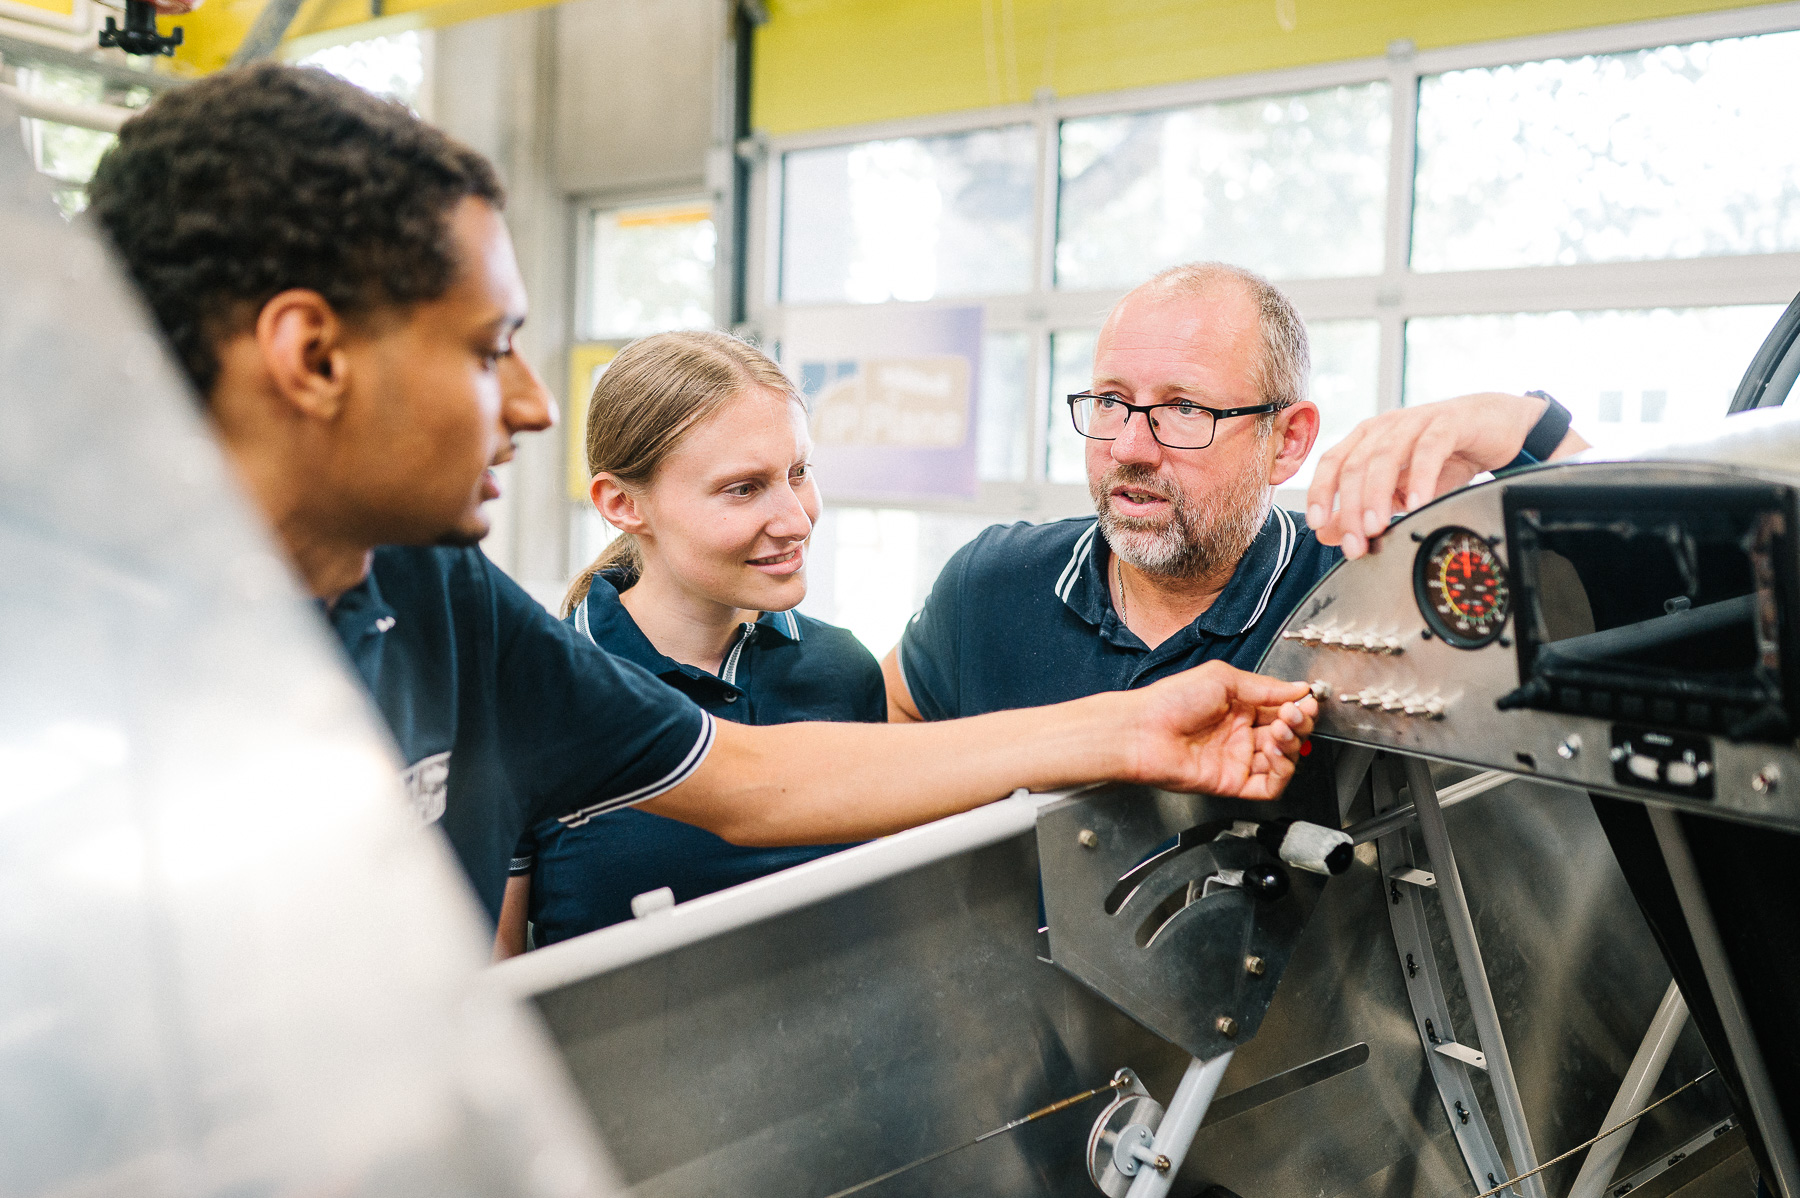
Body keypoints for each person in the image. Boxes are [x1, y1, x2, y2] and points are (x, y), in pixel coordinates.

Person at [86, 64, 1318, 929]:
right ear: (311, 357)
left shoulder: (442, 599)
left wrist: (1131, 727)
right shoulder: (77, 654)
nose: (526, 401)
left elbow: (758, 783)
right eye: (484, 347)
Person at [883, 262, 1590, 723]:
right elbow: (890, 719)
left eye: (1185, 409)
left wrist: (1529, 429)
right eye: (1110, 401)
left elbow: (1646, 610)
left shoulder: (1366, 591)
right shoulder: (994, 584)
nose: (1130, 446)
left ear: (1286, 442)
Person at [496, 331, 882, 954]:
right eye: (744, 488)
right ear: (623, 503)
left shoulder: (844, 672)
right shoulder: (531, 700)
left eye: (798, 473)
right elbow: (490, 981)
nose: (797, 518)